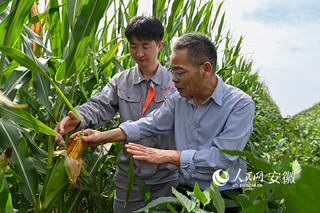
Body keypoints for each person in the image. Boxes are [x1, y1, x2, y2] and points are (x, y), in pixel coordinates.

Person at [70, 32, 255, 193]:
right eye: (172, 71)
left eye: (180, 72)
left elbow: (220, 158)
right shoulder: (178, 100)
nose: (173, 79)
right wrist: (102, 137)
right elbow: (150, 123)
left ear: (205, 69)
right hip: (185, 190)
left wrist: (165, 155)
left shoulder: (240, 104)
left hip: (223, 193)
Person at [54, 16, 178, 212]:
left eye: (145, 46)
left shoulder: (175, 83)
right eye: (133, 46)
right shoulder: (121, 81)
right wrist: (78, 118)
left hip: (167, 177)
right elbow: (99, 105)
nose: (139, 53)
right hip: (129, 176)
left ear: (160, 45)